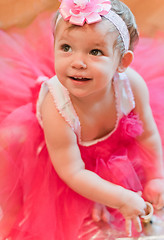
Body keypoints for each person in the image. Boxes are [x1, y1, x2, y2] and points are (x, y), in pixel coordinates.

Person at [0, 0, 164, 239]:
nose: (77, 62)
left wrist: (156, 176)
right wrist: (121, 198)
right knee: (13, 141)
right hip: (66, 156)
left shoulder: (132, 85)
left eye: (95, 51)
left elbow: (148, 134)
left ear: (122, 63)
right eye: (66, 47)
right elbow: (73, 172)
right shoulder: (57, 108)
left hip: (110, 142)